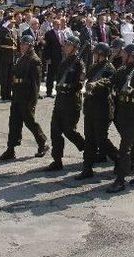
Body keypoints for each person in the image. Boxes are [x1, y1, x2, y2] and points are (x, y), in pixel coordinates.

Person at [0, 35, 49, 161]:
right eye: (22, 43)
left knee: (30, 122)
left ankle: (43, 143)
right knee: (14, 122)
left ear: (30, 45)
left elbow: (36, 83)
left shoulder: (34, 60)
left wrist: (33, 101)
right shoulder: (22, 57)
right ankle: (10, 149)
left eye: (24, 44)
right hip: (18, 95)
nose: (22, 45)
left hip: (26, 96)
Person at [108, 43, 134, 192]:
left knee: (124, 148)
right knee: (129, 146)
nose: (122, 55)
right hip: (122, 114)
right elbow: (110, 82)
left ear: (132, 55)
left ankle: (120, 180)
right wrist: (97, 83)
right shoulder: (121, 70)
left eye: (125, 53)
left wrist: (131, 91)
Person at [76, 42, 118, 180]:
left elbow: (108, 84)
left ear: (102, 55)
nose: (94, 56)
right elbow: (86, 77)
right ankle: (87, 168)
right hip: (90, 107)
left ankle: (119, 160)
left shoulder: (109, 68)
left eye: (96, 54)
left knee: (102, 139)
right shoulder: (95, 67)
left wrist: (96, 84)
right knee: (89, 139)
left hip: (102, 107)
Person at [45, 35, 86, 172]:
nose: (66, 47)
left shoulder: (79, 63)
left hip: (71, 100)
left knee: (69, 130)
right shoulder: (64, 61)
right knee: (55, 130)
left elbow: (80, 83)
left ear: (75, 47)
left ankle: (87, 148)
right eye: (66, 44)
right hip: (60, 100)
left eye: (69, 45)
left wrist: (69, 86)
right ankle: (57, 160)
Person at [0, 19, 18, 101]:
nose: (13, 24)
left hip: (12, 57)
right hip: (4, 57)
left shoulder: (14, 31)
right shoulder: (3, 31)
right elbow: (0, 44)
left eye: (13, 22)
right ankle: (4, 95)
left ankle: (9, 94)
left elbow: (17, 43)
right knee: (4, 77)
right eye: (11, 22)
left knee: (10, 77)